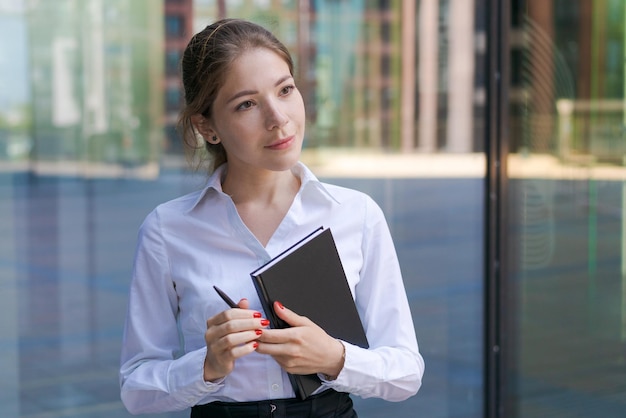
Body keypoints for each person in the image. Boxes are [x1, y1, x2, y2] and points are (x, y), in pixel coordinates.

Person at [119, 18, 424, 417]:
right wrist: (207, 367)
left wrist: (333, 357)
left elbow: (405, 372)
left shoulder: (356, 215)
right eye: (247, 104)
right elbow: (136, 389)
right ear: (207, 126)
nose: (278, 118)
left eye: (285, 90)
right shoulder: (167, 230)